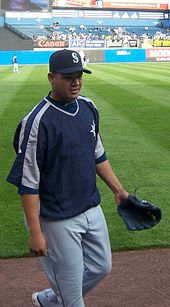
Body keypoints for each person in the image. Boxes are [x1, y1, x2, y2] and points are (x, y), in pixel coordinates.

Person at [7, 49, 129, 307]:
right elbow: (28, 182)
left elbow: (97, 154)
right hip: (56, 218)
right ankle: (63, 297)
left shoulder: (88, 107)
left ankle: (50, 299)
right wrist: (35, 231)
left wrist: (118, 190)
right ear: (51, 77)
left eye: (79, 76)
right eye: (68, 77)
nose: (76, 82)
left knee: (101, 267)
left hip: (90, 207)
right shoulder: (37, 121)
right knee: (72, 299)